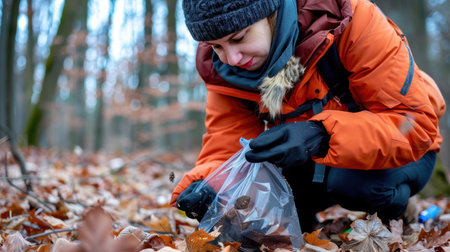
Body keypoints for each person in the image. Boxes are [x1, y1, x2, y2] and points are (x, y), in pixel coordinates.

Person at [170, 0, 446, 232]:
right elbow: (226, 143)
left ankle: (399, 211)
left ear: (271, 12)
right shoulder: (224, 72)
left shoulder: (349, 21)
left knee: (353, 185)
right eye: (216, 46)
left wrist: (321, 134)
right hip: (307, 158)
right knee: (263, 204)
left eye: (239, 38)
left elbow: (413, 122)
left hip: (405, 150)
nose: (231, 58)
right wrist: (209, 185)